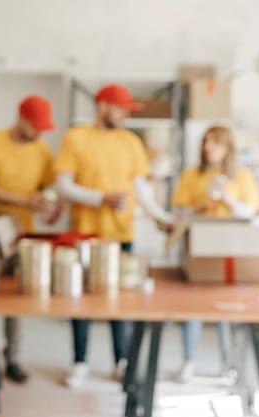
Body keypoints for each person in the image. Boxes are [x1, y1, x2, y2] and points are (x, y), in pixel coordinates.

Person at [53, 83, 173, 388]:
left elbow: (140, 189)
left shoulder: (131, 142)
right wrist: (100, 199)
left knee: (119, 298)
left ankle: (121, 361)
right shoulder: (75, 137)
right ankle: (79, 362)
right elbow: (63, 186)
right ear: (103, 106)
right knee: (80, 301)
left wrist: (161, 218)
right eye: (120, 109)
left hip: (121, 234)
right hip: (84, 234)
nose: (123, 116)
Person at [0, 95, 58, 383]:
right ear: (21, 118)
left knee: (16, 297)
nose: (40, 133)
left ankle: (13, 358)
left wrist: (48, 203)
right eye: (36, 126)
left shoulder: (42, 150)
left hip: (20, 233)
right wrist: (25, 201)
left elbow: (47, 186)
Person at [171, 125, 259, 381]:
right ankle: (189, 362)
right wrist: (197, 208)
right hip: (197, 250)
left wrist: (228, 200)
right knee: (193, 308)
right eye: (205, 143)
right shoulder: (191, 175)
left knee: (225, 309)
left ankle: (227, 364)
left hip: (228, 252)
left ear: (227, 147)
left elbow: (252, 212)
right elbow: (179, 211)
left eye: (214, 143)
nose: (208, 148)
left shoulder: (242, 177)